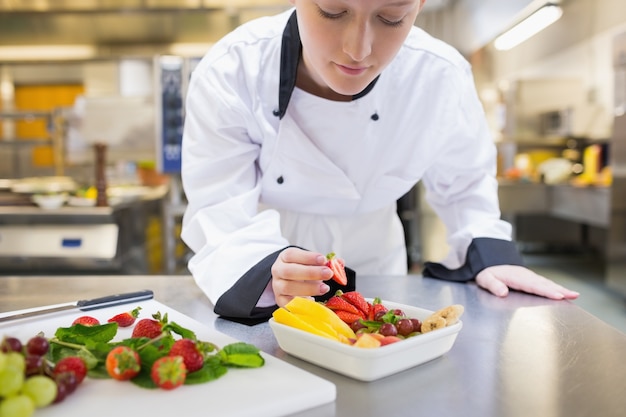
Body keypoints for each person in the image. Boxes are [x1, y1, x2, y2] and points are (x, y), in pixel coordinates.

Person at [181, 0, 579, 321]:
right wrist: (265, 270)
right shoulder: (233, 69)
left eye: (392, 18)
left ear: (419, 6)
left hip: (379, 260)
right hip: (269, 261)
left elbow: (466, 185)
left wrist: (490, 256)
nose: (359, 49)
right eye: (333, 12)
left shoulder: (438, 75)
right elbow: (219, 203)